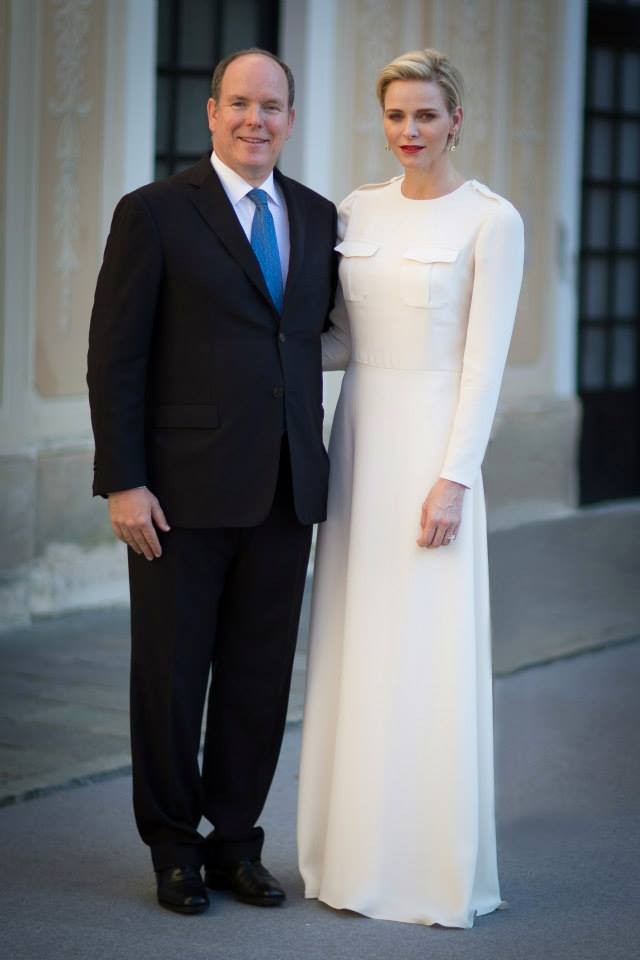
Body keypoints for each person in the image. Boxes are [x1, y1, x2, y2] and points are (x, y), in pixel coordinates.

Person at [87, 48, 337, 915]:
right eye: (239, 103)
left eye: (271, 106)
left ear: (291, 120)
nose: (254, 120)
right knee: (170, 674)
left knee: (259, 679)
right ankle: (173, 847)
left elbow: (314, 336)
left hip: (285, 488)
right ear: (211, 112)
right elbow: (115, 357)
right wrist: (125, 480)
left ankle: (235, 842)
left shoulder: (318, 216)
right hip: (178, 495)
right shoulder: (155, 212)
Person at [297, 48, 524, 928]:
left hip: (433, 455)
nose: (410, 131)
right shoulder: (357, 209)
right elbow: (339, 342)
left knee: (426, 649)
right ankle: (350, 855)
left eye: (426, 114)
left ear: (455, 119)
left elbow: (484, 365)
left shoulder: (491, 220)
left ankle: (426, 868)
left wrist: (454, 479)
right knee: (356, 641)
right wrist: (241, 349)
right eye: (397, 115)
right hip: (359, 445)